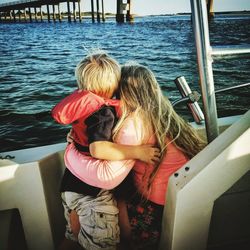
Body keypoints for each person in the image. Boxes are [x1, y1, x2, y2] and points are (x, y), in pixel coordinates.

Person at [65, 62, 206, 249]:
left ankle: (123, 241)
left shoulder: (134, 124)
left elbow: (107, 176)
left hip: (152, 210)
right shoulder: (166, 116)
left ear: (122, 92)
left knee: (94, 204)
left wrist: (71, 151)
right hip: (178, 202)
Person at [52, 52, 160, 250]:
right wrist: (138, 152)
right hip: (93, 196)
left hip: (70, 185)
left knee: (71, 238)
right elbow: (98, 148)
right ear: (112, 86)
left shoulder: (81, 108)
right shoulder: (102, 112)